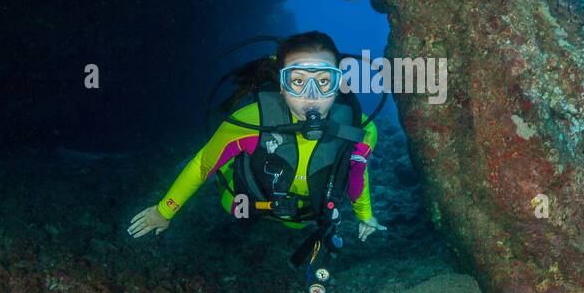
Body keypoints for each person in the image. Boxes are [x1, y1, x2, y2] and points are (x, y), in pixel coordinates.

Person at [127, 31, 388, 270]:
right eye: (297, 81)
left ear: (338, 83)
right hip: (249, 201)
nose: (312, 96)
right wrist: (164, 211)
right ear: (282, 86)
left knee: (299, 222)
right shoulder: (249, 122)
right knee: (231, 202)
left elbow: (357, 172)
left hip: (304, 214)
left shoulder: (362, 130)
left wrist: (366, 215)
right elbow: (202, 165)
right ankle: (229, 162)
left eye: (323, 80)